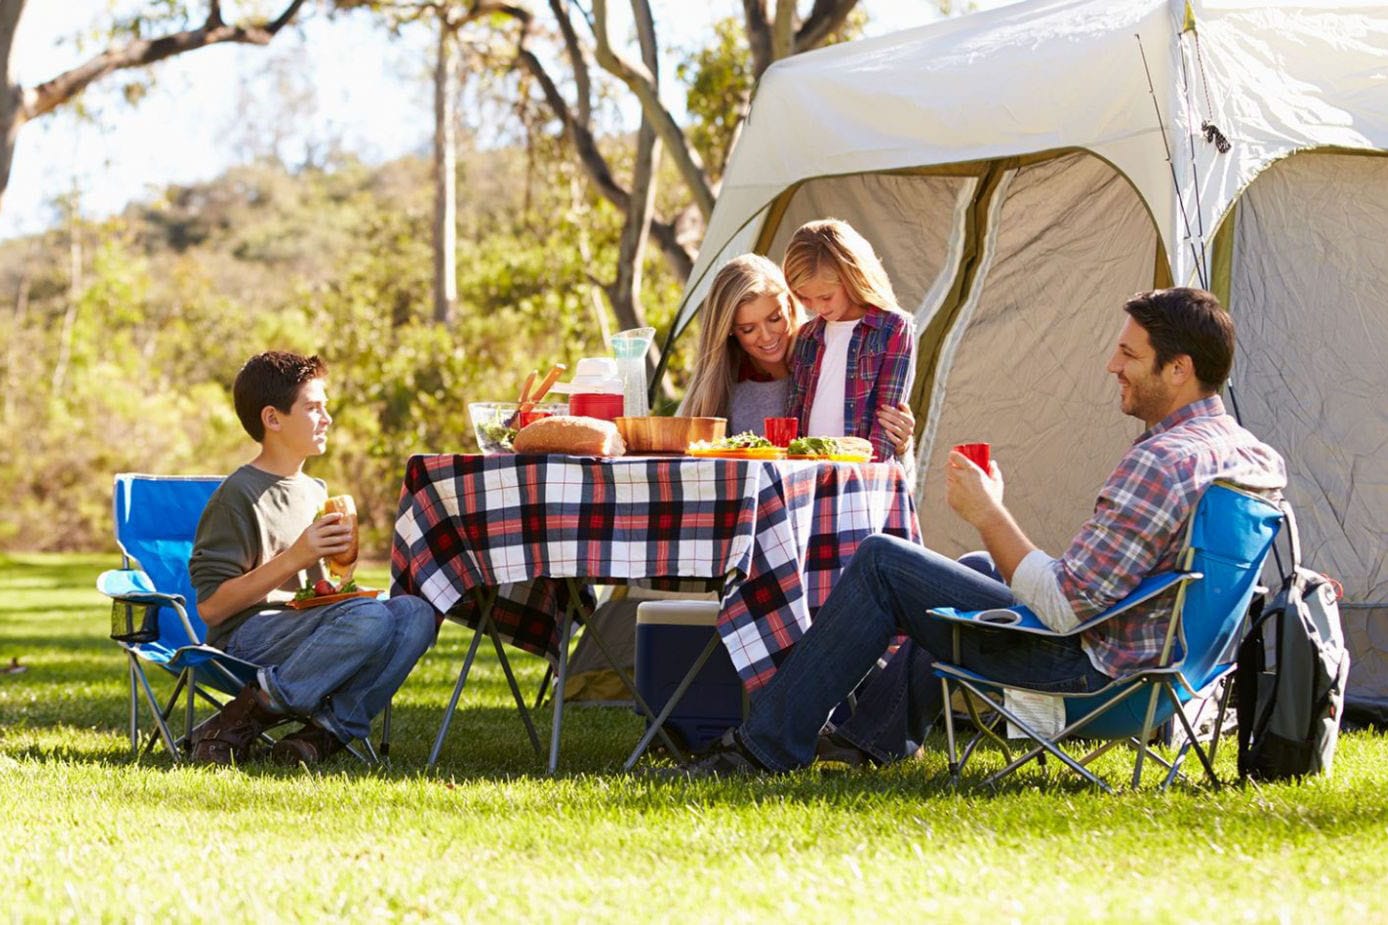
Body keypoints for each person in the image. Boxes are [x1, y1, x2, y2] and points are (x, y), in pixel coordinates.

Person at [675, 287, 1287, 775]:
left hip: (1090, 678)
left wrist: (989, 510)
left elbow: (1067, 609)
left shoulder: (1164, 461)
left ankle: (764, 747)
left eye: (1129, 354)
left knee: (885, 561)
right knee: (971, 569)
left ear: (1178, 369)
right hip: (1170, 674)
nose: (1112, 365)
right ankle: (873, 739)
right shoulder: (1249, 456)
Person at [188, 351, 436, 766]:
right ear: (273, 419)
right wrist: (296, 556)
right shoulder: (238, 495)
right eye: (313, 408)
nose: (327, 419)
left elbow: (318, 591)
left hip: (305, 628)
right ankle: (243, 716)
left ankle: (323, 734)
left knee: (416, 614)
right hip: (245, 638)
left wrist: (340, 576)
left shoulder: (315, 491)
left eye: (326, 408)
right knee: (370, 617)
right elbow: (213, 608)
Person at [679, 252, 916, 458]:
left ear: (790, 305)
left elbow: (891, 471)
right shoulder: (723, 389)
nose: (767, 336)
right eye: (748, 329)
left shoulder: (827, 358)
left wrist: (901, 446)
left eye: (774, 318)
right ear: (729, 331)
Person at [782, 219, 918, 463]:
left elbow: (886, 422)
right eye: (805, 298)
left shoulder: (893, 328)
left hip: (862, 479)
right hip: (807, 476)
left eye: (826, 296)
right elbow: (795, 414)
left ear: (853, 276)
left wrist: (863, 478)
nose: (817, 307)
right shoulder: (807, 335)